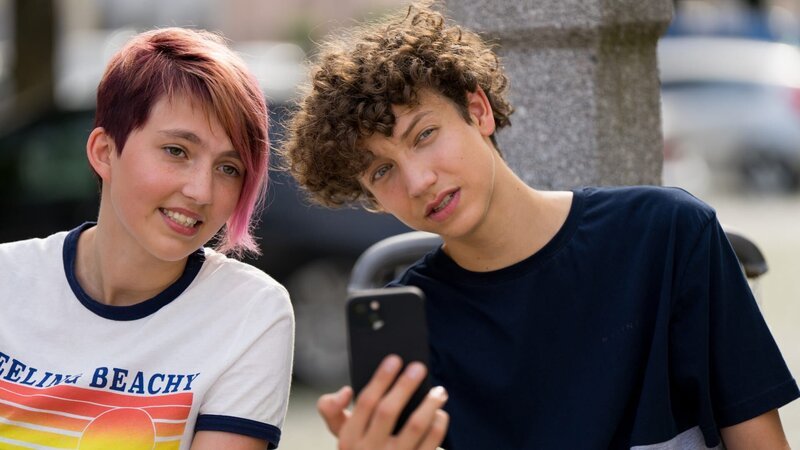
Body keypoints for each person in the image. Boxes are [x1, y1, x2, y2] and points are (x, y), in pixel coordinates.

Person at [279, 2, 799, 449]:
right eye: (382, 171)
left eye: (424, 134)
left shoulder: (666, 234)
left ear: (477, 110)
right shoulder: (414, 326)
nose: (417, 180)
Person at [0, 28, 293, 450]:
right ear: (104, 152)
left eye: (228, 168)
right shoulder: (9, 280)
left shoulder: (250, 313)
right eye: (177, 151)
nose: (201, 191)